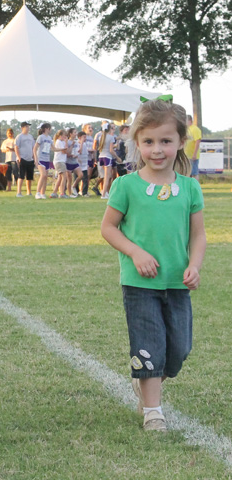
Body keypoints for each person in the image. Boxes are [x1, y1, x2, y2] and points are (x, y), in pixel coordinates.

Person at [101, 98, 206, 432]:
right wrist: (136, 253)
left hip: (176, 284)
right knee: (148, 347)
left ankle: (147, 380)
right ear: (137, 143)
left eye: (165, 141)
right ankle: (153, 411)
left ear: (180, 142)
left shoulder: (190, 188)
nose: (157, 149)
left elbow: (199, 235)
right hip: (139, 285)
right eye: (148, 142)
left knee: (178, 351)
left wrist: (195, 265)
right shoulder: (126, 186)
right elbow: (108, 228)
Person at [14, 122, 36, 197]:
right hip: (22, 159)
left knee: (29, 177)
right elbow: (16, 147)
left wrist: (33, 156)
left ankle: (29, 192)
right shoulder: (19, 137)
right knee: (21, 176)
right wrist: (19, 157)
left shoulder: (30, 137)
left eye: (28, 126)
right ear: (22, 128)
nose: (28, 128)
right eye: (26, 126)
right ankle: (19, 192)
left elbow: (33, 147)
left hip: (30, 159)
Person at [33, 122, 53, 199]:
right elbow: (35, 149)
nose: (50, 130)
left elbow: (53, 148)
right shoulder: (41, 137)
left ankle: (43, 193)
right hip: (40, 158)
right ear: (46, 129)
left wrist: (62, 149)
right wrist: (36, 159)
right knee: (43, 174)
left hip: (47, 159)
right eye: (49, 128)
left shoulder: (49, 138)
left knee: (45, 177)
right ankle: (37, 193)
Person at [98, 122, 117, 199]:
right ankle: (103, 194)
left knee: (106, 176)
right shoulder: (110, 137)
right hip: (107, 157)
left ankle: (105, 192)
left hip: (101, 157)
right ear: (109, 129)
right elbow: (111, 150)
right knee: (107, 177)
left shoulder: (101, 137)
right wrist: (117, 157)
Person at [50, 129, 69, 198]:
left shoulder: (61, 142)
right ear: (60, 136)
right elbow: (64, 151)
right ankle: (62, 193)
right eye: (65, 136)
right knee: (64, 177)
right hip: (59, 161)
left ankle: (54, 192)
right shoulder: (59, 142)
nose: (66, 137)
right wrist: (66, 142)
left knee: (60, 178)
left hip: (61, 161)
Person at [66, 127, 82, 198]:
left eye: (76, 132)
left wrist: (77, 156)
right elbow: (67, 153)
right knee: (69, 179)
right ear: (70, 134)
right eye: (74, 132)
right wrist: (70, 154)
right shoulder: (68, 142)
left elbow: (78, 151)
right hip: (68, 162)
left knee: (81, 175)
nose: (76, 134)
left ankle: (74, 186)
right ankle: (70, 194)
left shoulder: (76, 142)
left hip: (75, 162)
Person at [185, 114, 202, 180]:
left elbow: (197, 141)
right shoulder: (186, 130)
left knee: (194, 173)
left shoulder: (195, 129)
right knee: (187, 173)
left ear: (189, 120)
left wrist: (194, 154)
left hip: (192, 155)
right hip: (186, 155)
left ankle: (196, 187)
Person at [73, 130, 90, 196]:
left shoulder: (85, 144)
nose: (85, 139)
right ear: (79, 137)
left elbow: (86, 154)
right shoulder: (77, 144)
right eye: (84, 137)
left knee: (85, 178)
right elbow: (79, 152)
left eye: (85, 137)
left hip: (84, 164)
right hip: (78, 164)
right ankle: (76, 191)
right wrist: (82, 142)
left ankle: (84, 192)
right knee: (77, 178)